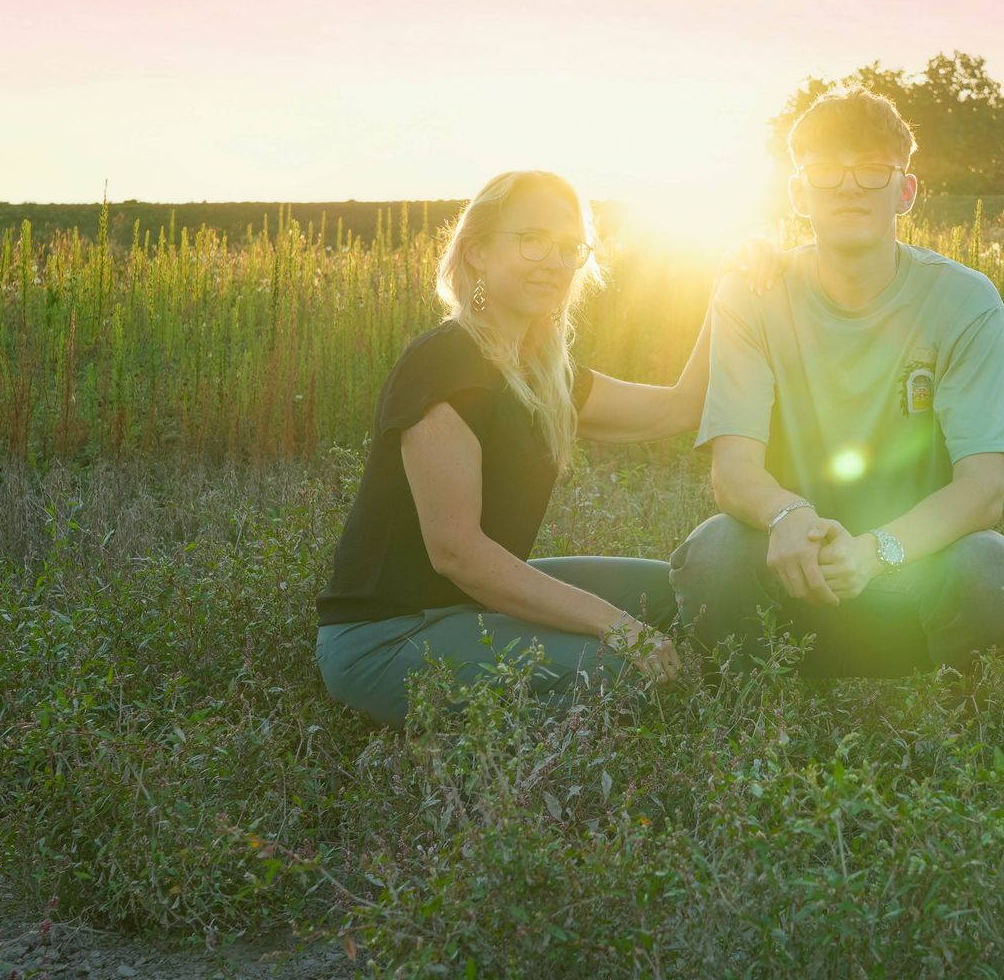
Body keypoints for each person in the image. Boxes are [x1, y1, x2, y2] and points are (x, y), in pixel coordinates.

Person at [316, 169, 774, 724]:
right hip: (389, 637)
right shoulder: (445, 363)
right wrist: (619, 626)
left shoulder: (539, 373)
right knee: (623, 667)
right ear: (478, 251)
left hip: (469, 608)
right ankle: (472, 759)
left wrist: (726, 290)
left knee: (686, 591)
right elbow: (457, 552)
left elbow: (679, 407)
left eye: (569, 248)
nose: (555, 262)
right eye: (532, 241)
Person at [669, 88, 1004, 679]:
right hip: (791, 557)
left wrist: (874, 553)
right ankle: (767, 687)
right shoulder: (752, 294)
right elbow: (733, 471)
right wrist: (788, 515)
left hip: (910, 562)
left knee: (991, 572)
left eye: (872, 171)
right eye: (824, 170)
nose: (848, 186)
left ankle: (912, 682)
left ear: (906, 191)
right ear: (798, 193)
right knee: (713, 555)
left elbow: (983, 490)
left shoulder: (967, 302)